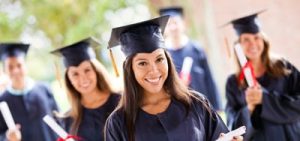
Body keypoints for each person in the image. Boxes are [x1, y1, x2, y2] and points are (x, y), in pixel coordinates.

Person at [105, 16, 242, 141]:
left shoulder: (196, 103)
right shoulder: (118, 123)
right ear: (130, 69)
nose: (154, 70)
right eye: (142, 63)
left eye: (159, 59)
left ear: (168, 60)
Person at [225, 11, 300, 141]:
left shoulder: (284, 68)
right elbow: (233, 128)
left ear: (264, 40)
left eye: (256, 37)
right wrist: (249, 109)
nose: (252, 44)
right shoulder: (233, 82)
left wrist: (264, 99)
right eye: (246, 40)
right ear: (238, 45)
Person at [51, 37, 121, 141]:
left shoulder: (122, 102)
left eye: (87, 70)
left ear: (96, 71)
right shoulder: (68, 120)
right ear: (69, 80)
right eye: (75, 74)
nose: (83, 78)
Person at [159, 6, 222, 110]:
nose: (173, 27)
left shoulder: (196, 49)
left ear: (183, 24)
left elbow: (209, 79)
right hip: (177, 109)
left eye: (175, 22)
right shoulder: (162, 55)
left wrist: (216, 107)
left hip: (202, 107)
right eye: (169, 24)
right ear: (164, 29)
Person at [0, 43, 58, 141]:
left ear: (25, 66)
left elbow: (59, 119)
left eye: (19, 65)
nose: (15, 71)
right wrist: (7, 137)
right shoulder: (2, 100)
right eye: (10, 67)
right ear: (5, 70)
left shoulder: (43, 89)